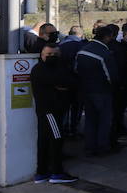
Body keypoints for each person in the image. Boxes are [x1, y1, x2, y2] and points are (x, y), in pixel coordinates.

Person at [29, 43, 78, 184]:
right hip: (50, 111)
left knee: (45, 141)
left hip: (52, 110)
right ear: (42, 55)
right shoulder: (40, 70)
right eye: (48, 55)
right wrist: (64, 85)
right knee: (56, 139)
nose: (52, 57)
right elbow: (65, 81)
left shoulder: (54, 68)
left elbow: (70, 82)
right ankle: (57, 172)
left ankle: (42, 172)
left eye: (55, 55)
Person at [75, 24, 120, 156]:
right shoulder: (105, 53)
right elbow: (111, 77)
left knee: (90, 120)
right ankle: (102, 147)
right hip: (102, 91)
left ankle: (89, 146)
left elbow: (76, 70)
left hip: (86, 90)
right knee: (104, 121)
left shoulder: (82, 50)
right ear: (107, 37)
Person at [58, 26, 86, 136]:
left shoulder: (60, 44)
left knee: (64, 107)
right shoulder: (81, 45)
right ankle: (74, 129)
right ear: (81, 34)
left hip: (62, 81)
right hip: (76, 81)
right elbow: (78, 65)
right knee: (76, 106)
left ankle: (63, 129)